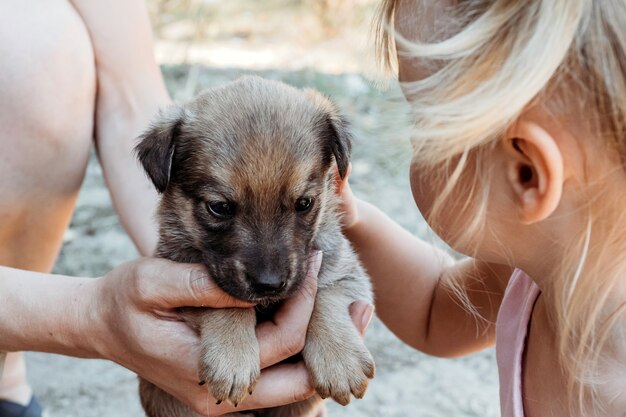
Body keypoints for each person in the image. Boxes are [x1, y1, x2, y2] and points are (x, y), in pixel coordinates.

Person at [0, 2, 372, 417]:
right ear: (166, 176)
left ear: (333, 175)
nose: (270, 269)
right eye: (220, 209)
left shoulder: (321, 165)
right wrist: (220, 319)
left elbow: (347, 282)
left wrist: (330, 325)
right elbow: (174, 288)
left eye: (303, 205)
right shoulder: (172, 149)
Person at [340, 0, 626, 416]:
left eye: (423, 126)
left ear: (526, 174)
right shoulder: (539, 274)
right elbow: (434, 308)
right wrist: (353, 217)